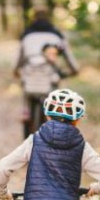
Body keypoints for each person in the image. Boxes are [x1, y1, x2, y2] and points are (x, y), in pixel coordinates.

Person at [14, 8, 79, 137]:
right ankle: (54, 126)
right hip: (49, 79)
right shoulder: (56, 35)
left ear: (33, 18)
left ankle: (26, 114)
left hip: (30, 77)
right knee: (54, 101)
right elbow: (68, 57)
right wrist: (74, 70)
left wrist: (15, 70)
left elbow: (18, 58)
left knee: (27, 92)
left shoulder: (26, 35)